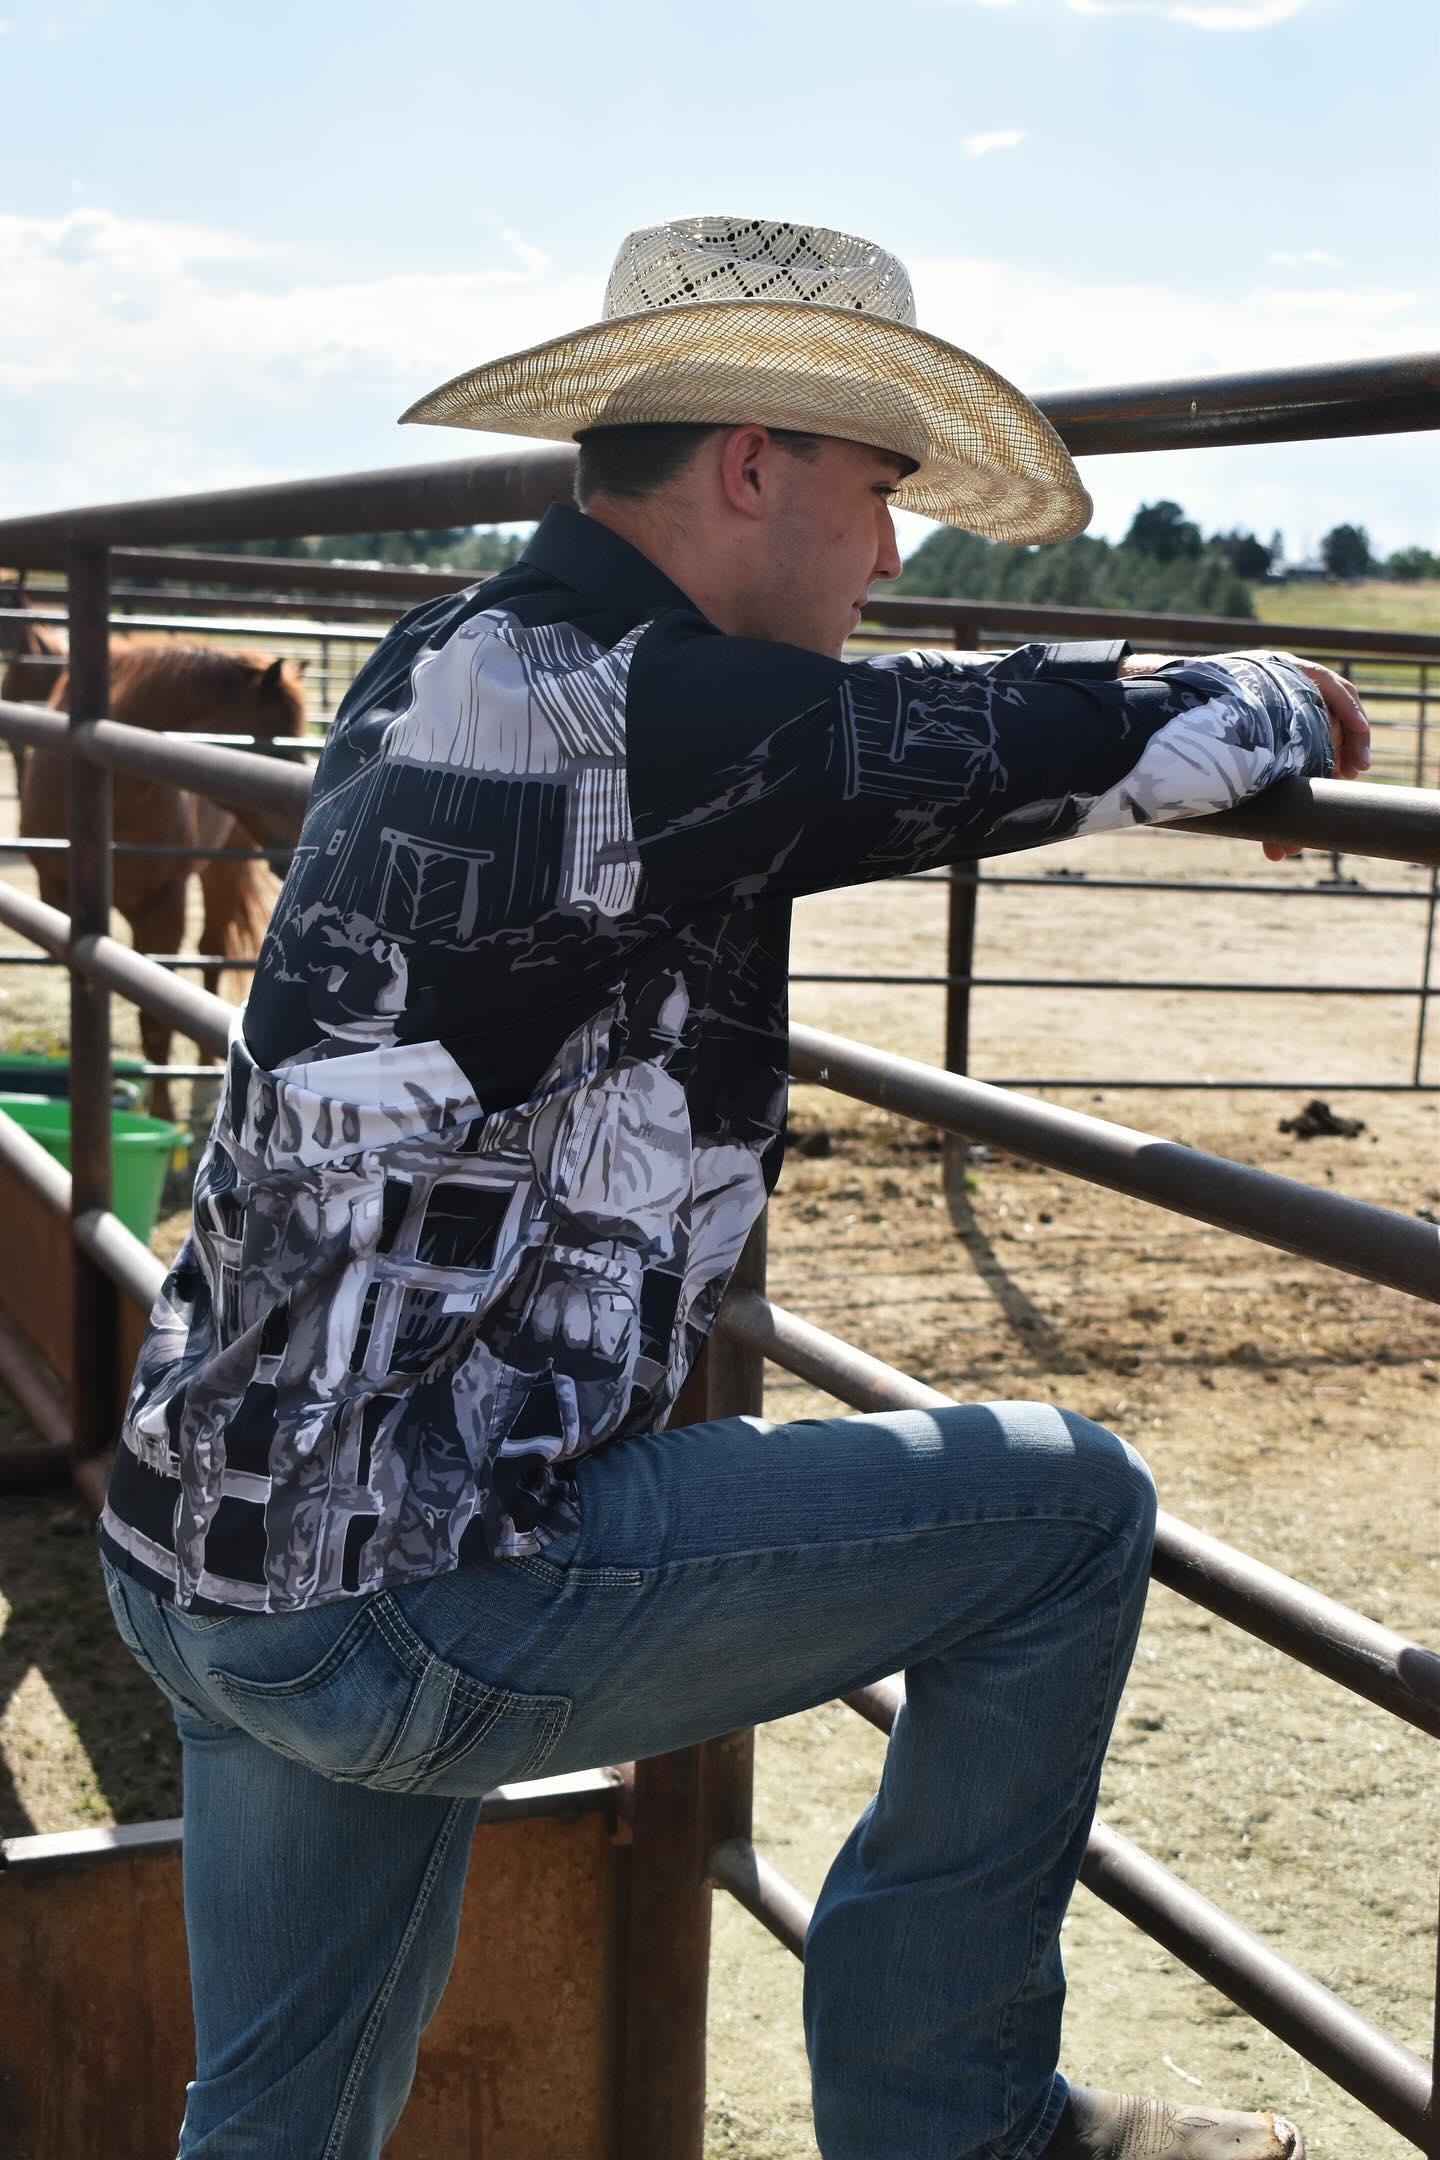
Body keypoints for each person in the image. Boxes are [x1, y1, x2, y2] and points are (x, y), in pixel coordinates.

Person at [98, 215, 1368, 2160]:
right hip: (411, 1585)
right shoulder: (633, 707)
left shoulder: (452, 655)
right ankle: (961, 2121)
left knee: (275, 2127)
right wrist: (1286, 707)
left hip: (207, 1547)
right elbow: (977, 741)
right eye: (876, 492)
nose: (890, 550)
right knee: (1073, 1516)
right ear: (755, 463)